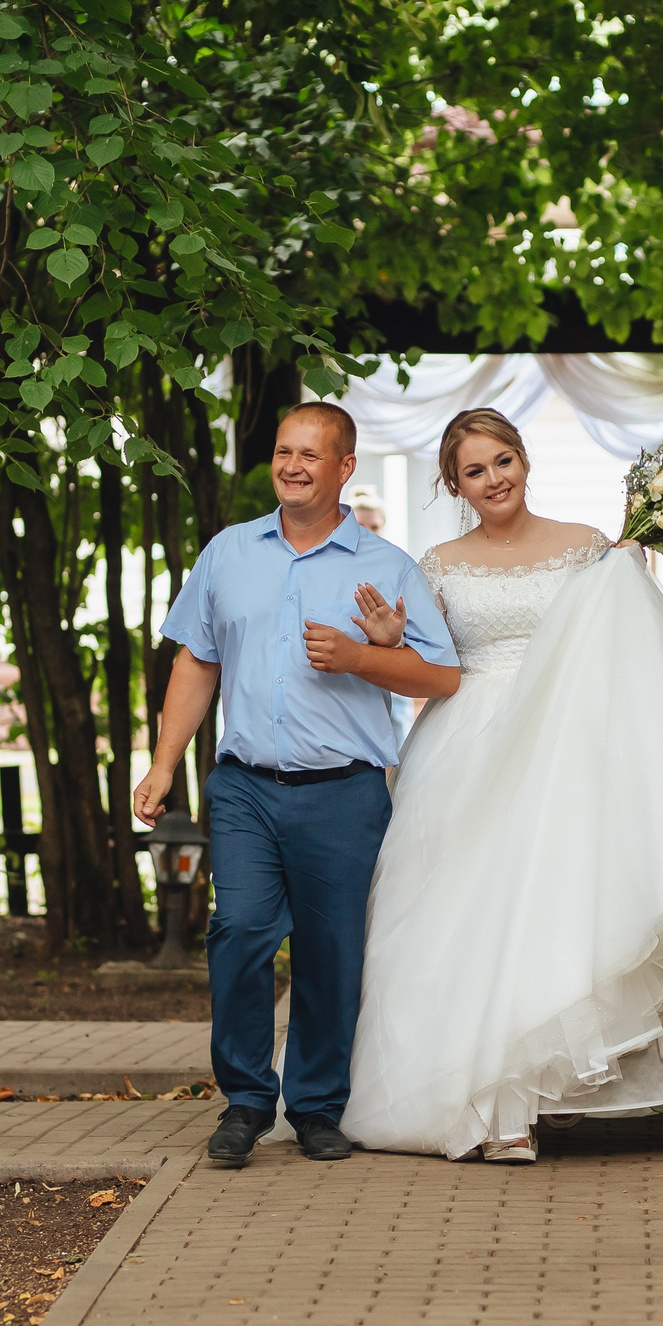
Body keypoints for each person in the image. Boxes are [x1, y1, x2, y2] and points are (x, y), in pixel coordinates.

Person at [339, 407, 663, 1165]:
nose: (494, 479)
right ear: (454, 483)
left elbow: (629, 654)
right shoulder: (439, 564)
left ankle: (553, 1083)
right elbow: (431, 667)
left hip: (565, 747)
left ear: (524, 461)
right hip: (468, 745)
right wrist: (388, 642)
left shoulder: (590, 546)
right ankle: (494, 1108)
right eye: (475, 470)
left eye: (503, 460)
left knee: (558, 912)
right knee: (468, 918)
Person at [134, 402, 460, 1168]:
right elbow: (197, 662)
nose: (293, 465)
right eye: (284, 450)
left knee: (331, 952)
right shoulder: (227, 553)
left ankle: (315, 1105)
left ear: (345, 467)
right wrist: (161, 762)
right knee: (241, 931)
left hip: (345, 790)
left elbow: (442, 675)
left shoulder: (385, 566)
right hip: (245, 784)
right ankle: (247, 1100)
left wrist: (363, 657)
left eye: (312, 454)